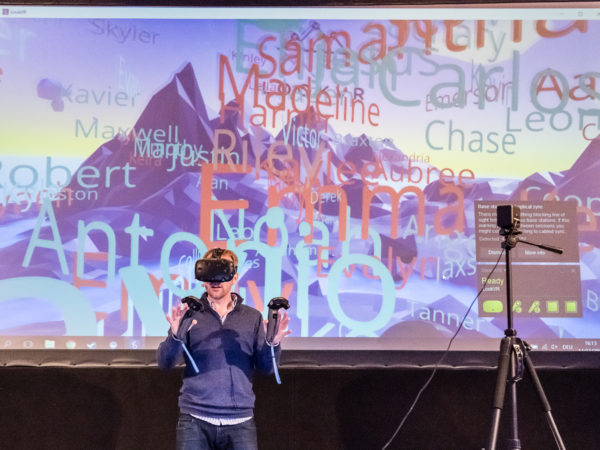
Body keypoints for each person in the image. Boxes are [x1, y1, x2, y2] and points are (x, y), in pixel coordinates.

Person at [157, 247, 290, 450]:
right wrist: (175, 336)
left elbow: (266, 369)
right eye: (210, 271)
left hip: (240, 422)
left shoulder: (252, 317)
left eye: (223, 271)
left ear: (235, 276)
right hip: (195, 420)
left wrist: (272, 344)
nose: (215, 279)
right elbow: (165, 363)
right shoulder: (190, 315)